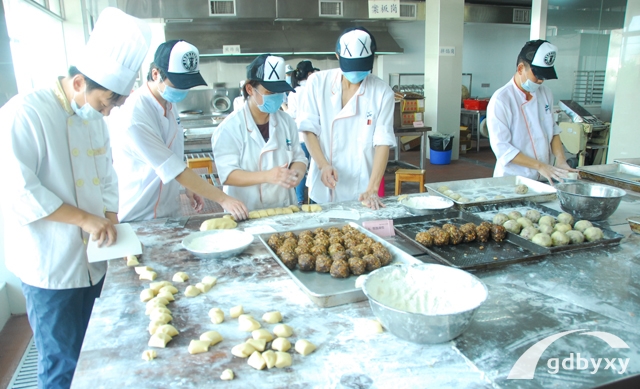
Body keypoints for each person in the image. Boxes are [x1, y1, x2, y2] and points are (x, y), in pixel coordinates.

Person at [0, 8, 151, 388]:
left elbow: (106, 178)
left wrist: (111, 215)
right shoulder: (25, 114)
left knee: (101, 349)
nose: (108, 112)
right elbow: (18, 190)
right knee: (62, 362)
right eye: (105, 104)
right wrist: (86, 220)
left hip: (95, 260)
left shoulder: (94, 120)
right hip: (51, 268)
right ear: (80, 82)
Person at [108, 40, 248, 222]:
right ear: (156, 74)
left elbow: (174, 154)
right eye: (178, 83)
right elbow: (172, 168)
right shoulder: (135, 115)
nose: (183, 90)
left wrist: (191, 186)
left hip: (167, 211)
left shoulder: (168, 103)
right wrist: (223, 199)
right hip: (139, 214)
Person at [296, 27, 396, 209]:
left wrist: (373, 187)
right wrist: (323, 165)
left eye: (362, 67)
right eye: (351, 66)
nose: (356, 74)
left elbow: (383, 142)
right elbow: (308, 130)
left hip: (361, 188)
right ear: (337, 56)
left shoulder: (382, 92)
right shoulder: (318, 83)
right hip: (323, 184)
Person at [212, 54, 308, 211]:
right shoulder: (230, 128)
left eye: (279, 92)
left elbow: (299, 158)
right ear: (250, 89)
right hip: (247, 211)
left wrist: (295, 174)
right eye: (270, 93)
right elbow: (228, 175)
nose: (276, 97)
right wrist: (268, 176)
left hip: (284, 209)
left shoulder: (286, 121)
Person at [487, 39, 576, 184]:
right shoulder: (502, 100)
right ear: (521, 68)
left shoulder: (546, 93)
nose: (540, 81)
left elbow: (552, 130)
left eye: (544, 77)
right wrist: (540, 166)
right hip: (513, 180)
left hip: (543, 178)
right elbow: (502, 148)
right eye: (537, 76)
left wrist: (560, 161)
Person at [286, 60, 319, 204]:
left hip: (300, 137)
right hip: (317, 138)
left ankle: (299, 201)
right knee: (317, 170)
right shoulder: (315, 90)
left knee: (299, 171)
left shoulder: (294, 92)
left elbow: (291, 115)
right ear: (310, 74)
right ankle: (315, 199)